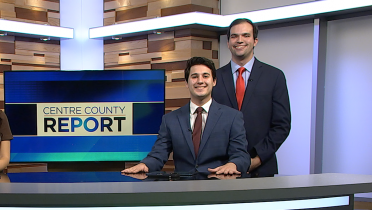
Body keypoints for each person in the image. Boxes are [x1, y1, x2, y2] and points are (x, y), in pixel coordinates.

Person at [122, 57, 249, 176]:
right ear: (187, 83)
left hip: (217, 187)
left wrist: (233, 164)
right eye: (194, 76)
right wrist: (145, 165)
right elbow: (158, 154)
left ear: (214, 81)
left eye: (205, 76)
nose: (200, 81)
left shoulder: (232, 117)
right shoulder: (170, 120)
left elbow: (241, 155)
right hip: (183, 189)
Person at [212, 18, 291, 177]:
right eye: (234, 36)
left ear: (255, 41)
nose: (239, 40)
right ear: (228, 43)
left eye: (245, 35)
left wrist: (256, 159)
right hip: (220, 169)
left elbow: (281, 125)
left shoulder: (274, 76)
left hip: (260, 168)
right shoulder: (214, 78)